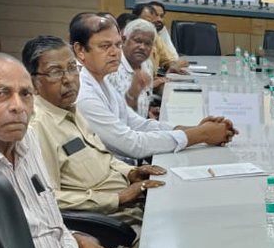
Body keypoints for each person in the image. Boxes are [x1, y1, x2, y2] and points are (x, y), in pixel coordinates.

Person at [0, 52, 131, 248]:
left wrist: (80, 241)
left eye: (25, 94)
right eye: (1, 94)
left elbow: (46, 219)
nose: (18, 106)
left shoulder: (28, 140)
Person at [24, 36, 163, 248]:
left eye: (72, 68)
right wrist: (118, 198)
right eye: (55, 72)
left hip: (134, 208)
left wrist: (131, 172)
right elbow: (49, 199)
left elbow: (104, 157)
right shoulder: (37, 128)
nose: (69, 79)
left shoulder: (71, 108)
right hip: (111, 228)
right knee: (175, 243)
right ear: (33, 83)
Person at [71, 14, 236, 161]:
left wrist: (197, 129)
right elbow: (131, 144)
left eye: (117, 45)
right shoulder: (83, 93)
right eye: (105, 46)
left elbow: (137, 123)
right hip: (114, 176)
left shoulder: (100, 77)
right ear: (80, 50)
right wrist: (202, 134)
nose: (115, 52)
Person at [110, 17, 164, 117]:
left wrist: (148, 112)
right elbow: (115, 113)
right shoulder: (111, 67)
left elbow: (146, 97)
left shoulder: (147, 63)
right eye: (137, 41)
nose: (142, 47)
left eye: (148, 43)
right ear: (124, 40)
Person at [132, 1, 187, 75]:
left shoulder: (155, 37)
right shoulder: (129, 40)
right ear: (134, 20)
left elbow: (168, 59)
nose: (149, 26)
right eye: (146, 22)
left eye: (151, 23)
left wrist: (172, 66)